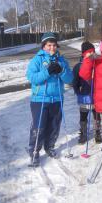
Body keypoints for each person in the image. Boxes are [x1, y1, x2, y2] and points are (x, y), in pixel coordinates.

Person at [26, 32, 73, 166]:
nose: (52, 48)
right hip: (40, 99)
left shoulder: (62, 60)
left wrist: (61, 71)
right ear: (43, 46)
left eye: (54, 45)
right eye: (48, 45)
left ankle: (49, 146)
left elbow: (69, 79)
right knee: (39, 127)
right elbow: (32, 78)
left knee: (53, 126)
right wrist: (47, 71)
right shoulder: (37, 60)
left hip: (57, 98)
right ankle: (34, 151)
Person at [72, 41, 102, 144]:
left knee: (97, 115)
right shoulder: (78, 66)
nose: (91, 54)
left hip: (96, 94)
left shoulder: (97, 64)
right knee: (83, 115)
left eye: (92, 51)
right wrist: (77, 90)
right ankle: (83, 133)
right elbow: (75, 80)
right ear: (83, 54)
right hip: (84, 94)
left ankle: (97, 132)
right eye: (88, 52)